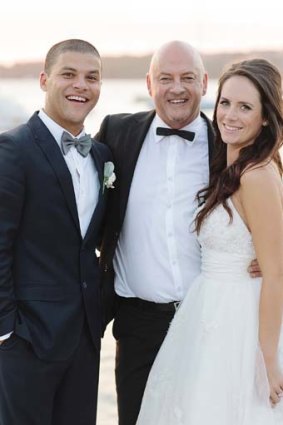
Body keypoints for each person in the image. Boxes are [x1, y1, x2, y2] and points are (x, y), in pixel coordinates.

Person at [97, 41, 258, 425]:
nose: (177, 88)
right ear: (149, 83)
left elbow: (270, 204)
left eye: (188, 78)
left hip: (210, 321)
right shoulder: (116, 133)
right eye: (166, 78)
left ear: (204, 83)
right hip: (137, 323)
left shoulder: (231, 143)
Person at [136, 58, 283, 424]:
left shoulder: (257, 174)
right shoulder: (232, 164)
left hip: (240, 319)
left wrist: (266, 358)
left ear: (265, 117)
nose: (230, 115)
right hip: (206, 310)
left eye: (245, 106)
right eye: (225, 102)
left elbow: (276, 274)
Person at [0, 39, 113, 425]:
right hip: (26, 341)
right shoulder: (12, 149)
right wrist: (7, 332)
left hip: (84, 339)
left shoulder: (102, 156)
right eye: (69, 74)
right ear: (45, 80)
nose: (81, 85)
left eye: (91, 77)